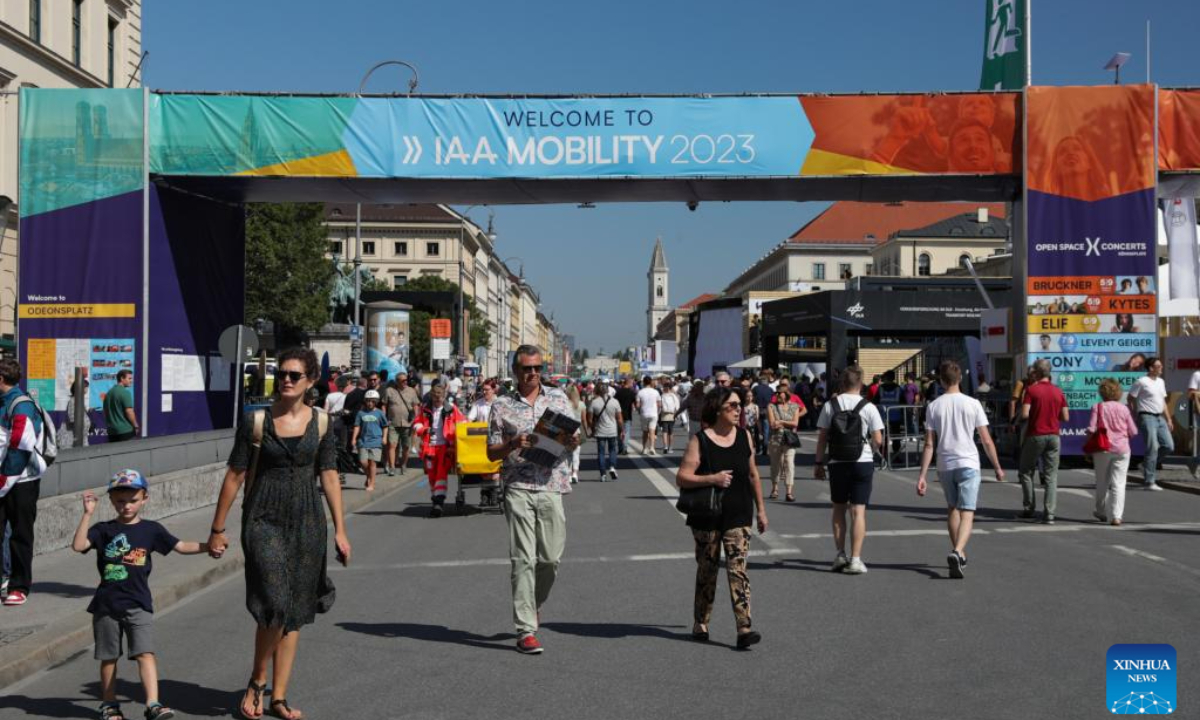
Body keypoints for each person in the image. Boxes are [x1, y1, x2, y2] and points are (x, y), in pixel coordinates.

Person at [208, 347, 351, 720]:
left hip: (308, 520)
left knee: (296, 608)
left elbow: (330, 475)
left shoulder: (321, 423)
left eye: (293, 375)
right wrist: (217, 529)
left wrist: (341, 530)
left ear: (310, 381)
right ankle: (258, 679)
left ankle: (279, 696)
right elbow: (235, 476)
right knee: (274, 600)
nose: (285, 380)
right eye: (282, 374)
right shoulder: (255, 421)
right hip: (263, 519)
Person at [73, 469, 212, 720]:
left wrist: (208, 547)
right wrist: (87, 514)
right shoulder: (103, 529)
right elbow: (78, 545)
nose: (126, 506)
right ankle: (109, 704)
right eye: (120, 501)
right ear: (112, 501)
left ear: (145, 498)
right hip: (106, 605)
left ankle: (153, 704)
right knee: (108, 657)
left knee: (145, 653)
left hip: (138, 603)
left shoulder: (152, 530)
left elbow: (181, 546)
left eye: (133, 500)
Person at [487, 345, 580, 654]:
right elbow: (491, 452)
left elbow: (573, 437)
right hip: (518, 485)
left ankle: (534, 602)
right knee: (523, 558)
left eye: (538, 368)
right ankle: (526, 629)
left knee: (551, 558)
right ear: (516, 371)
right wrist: (512, 443)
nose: (533, 373)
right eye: (527, 368)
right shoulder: (501, 405)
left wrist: (575, 439)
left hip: (553, 484)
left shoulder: (558, 398)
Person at [675, 386, 767, 649]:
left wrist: (761, 509)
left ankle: (744, 627)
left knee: (738, 570)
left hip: (739, 512)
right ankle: (701, 621)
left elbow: (752, 475)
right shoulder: (700, 440)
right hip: (708, 515)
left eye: (740, 405)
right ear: (717, 409)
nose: (739, 410)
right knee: (708, 569)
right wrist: (712, 479)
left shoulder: (745, 436)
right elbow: (682, 477)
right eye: (733, 406)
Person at [916, 361, 1005, 579]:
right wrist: (997, 467)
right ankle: (957, 551)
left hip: (945, 463)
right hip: (968, 461)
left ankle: (960, 553)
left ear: (941, 381)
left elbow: (929, 443)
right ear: (960, 379)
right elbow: (986, 439)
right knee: (968, 512)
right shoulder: (973, 403)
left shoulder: (934, 406)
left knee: (952, 509)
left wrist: (922, 475)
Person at [814, 365, 884, 575]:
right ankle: (855, 559)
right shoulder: (869, 407)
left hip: (837, 461)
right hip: (862, 460)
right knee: (858, 511)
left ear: (842, 383)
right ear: (861, 383)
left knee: (838, 509)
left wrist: (818, 463)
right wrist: (869, 449)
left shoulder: (830, 405)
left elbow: (822, 438)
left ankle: (840, 555)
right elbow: (878, 439)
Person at [0, 358, 47, 607]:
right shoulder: (4, 402)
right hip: (5, 480)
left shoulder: (21, 405)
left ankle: (19, 586)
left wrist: (3, 480)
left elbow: (20, 445)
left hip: (22, 481)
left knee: (20, 534)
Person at [1018, 359, 1069, 523]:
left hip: (1035, 434)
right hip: (1054, 436)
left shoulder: (1032, 391)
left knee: (1026, 471)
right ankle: (1050, 513)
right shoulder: (1058, 391)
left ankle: (1029, 508)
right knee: (1051, 476)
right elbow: (1065, 417)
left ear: (1037, 373)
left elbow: (1025, 414)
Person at [1089, 379, 1139, 526]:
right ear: (1118, 392)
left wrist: (1087, 444)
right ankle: (1117, 516)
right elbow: (1134, 431)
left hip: (1102, 448)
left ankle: (1101, 511)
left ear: (1102, 392)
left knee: (1101, 481)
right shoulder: (1124, 409)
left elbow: (1091, 429)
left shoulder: (1097, 407)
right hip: (1122, 449)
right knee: (1119, 483)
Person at [413, 385, 465, 517]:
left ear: (444, 396)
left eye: (440, 396)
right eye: (435, 396)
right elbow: (417, 423)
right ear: (431, 395)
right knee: (432, 475)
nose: (437, 399)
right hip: (429, 447)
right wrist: (423, 430)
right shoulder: (425, 409)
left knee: (441, 475)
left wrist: (456, 437)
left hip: (445, 447)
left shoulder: (451, 409)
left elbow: (463, 422)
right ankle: (435, 499)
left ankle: (438, 503)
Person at [1128, 357, 1173, 492]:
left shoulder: (1161, 382)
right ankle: (1149, 481)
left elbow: (1163, 402)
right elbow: (1131, 398)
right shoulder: (1141, 382)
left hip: (1160, 418)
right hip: (1147, 417)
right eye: (1158, 366)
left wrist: (1169, 419)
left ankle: (1145, 465)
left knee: (1169, 446)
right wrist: (1135, 413)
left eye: (1161, 365)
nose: (1161, 368)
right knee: (1152, 447)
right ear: (1151, 368)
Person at [767, 380, 805, 502]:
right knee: (775, 464)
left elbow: (795, 423)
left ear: (786, 394)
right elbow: (772, 424)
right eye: (776, 393)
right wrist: (783, 424)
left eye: (780, 393)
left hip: (789, 439)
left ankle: (789, 492)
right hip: (775, 438)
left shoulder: (794, 406)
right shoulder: (771, 406)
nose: (777, 395)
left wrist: (782, 422)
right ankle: (775, 488)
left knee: (789, 463)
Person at [467, 379, 502, 504]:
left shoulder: (500, 403)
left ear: (493, 390)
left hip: (497, 439)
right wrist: (464, 424)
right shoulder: (478, 404)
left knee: (495, 468)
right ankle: (485, 493)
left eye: (487, 389)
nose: (484, 392)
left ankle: (494, 492)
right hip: (482, 440)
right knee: (483, 467)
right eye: (483, 389)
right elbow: (470, 419)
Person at [385, 373, 421, 477]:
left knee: (406, 447)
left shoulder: (411, 391)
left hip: (407, 424)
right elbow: (384, 404)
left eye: (406, 380)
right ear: (397, 381)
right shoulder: (389, 391)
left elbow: (415, 405)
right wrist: (384, 417)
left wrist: (415, 419)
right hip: (393, 422)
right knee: (392, 445)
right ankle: (392, 467)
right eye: (402, 380)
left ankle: (403, 464)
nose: (405, 382)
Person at [351, 390, 387, 492]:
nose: (370, 403)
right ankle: (369, 476)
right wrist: (354, 438)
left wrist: (384, 438)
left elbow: (385, 426)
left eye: (372, 401)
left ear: (376, 401)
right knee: (363, 462)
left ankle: (372, 483)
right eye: (368, 401)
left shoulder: (380, 413)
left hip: (376, 440)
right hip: (363, 441)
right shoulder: (361, 413)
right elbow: (357, 426)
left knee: (372, 463)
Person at [588, 381, 623, 481]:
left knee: (601, 453)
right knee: (612, 450)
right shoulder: (615, 402)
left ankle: (603, 474)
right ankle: (612, 467)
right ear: (608, 391)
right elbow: (619, 419)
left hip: (600, 431)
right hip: (612, 430)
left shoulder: (594, 402)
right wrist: (622, 430)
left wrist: (593, 429)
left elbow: (590, 419)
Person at [103, 370, 139, 443]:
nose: (131, 381)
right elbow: (129, 411)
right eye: (129, 378)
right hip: (125, 431)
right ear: (122, 378)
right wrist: (135, 425)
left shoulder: (109, 393)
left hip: (112, 432)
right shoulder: (125, 392)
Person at [60, 377, 92, 448]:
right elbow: (73, 418)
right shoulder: (73, 401)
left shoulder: (79, 400)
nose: (87, 389)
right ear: (80, 388)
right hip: (75, 438)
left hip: (82, 437)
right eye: (85, 387)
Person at [636, 376, 662, 455]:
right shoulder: (656, 392)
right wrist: (658, 412)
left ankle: (644, 448)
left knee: (645, 432)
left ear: (643, 382)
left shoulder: (640, 392)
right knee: (652, 431)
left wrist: (639, 410)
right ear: (651, 382)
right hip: (653, 413)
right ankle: (652, 447)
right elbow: (659, 404)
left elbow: (637, 405)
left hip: (644, 413)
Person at [565, 384, 586, 484]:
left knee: (567, 454)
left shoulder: (565, 404)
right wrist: (586, 430)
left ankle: (568, 475)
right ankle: (575, 473)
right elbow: (583, 419)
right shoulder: (581, 404)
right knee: (576, 454)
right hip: (577, 431)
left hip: (567, 430)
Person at [752, 370, 776, 454]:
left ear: (759, 381)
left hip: (757, 410)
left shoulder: (755, 388)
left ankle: (758, 448)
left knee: (757, 430)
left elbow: (752, 399)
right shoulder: (770, 390)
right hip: (767, 411)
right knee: (766, 430)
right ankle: (765, 448)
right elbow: (773, 401)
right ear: (766, 382)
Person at [614, 378, 638, 455]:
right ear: (629, 383)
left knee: (619, 432)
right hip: (628, 415)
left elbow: (614, 403)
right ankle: (624, 448)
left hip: (618, 414)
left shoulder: (618, 392)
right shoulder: (632, 393)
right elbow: (636, 404)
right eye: (632, 383)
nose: (632, 385)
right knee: (626, 432)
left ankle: (620, 448)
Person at [659, 379, 682, 454]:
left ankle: (665, 446)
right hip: (672, 415)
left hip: (664, 415)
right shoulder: (673, 395)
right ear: (670, 388)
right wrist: (677, 414)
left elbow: (659, 406)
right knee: (671, 432)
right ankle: (670, 447)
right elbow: (677, 405)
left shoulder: (662, 395)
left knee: (664, 431)